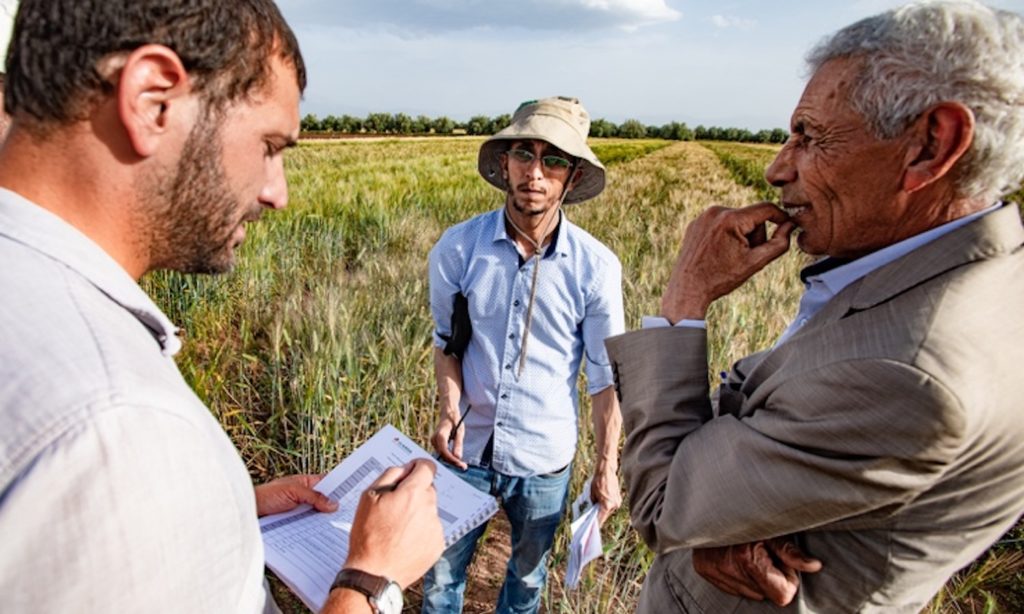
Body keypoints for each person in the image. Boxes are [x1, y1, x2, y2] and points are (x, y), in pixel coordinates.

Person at [0, 1, 443, 613]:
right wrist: (372, 580)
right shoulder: (118, 426)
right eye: (268, 145)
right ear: (154, 100)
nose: (276, 193)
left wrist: (227, 503)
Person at [605, 1, 1024, 612]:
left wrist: (685, 297)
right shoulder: (974, 279)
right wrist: (734, 515)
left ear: (931, 146)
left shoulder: (910, 374)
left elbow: (663, 507)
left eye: (810, 137)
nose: (778, 169)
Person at [423, 96, 625, 613]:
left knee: (527, 581)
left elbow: (605, 381)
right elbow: (448, 344)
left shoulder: (596, 268)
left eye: (553, 160)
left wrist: (606, 467)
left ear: (572, 178)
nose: (535, 172)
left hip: (543, 458)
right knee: (441, 577)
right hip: (465, 449)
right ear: (505, 163)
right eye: (524, 154)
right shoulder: (457, 249)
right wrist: (449, 407)